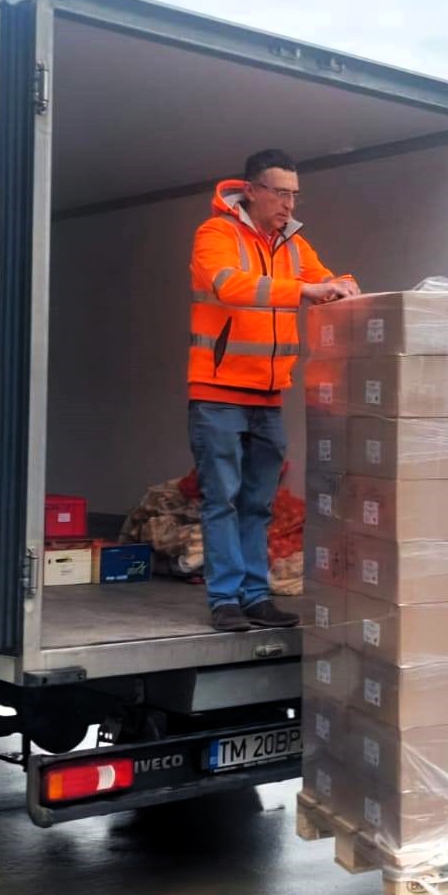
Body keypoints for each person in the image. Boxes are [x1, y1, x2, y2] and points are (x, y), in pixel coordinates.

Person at [188, 150, 359, 632]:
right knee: (222, 499)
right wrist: (302, 291)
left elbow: (326, 279)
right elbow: (229, 285)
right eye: (281, 193)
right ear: (251, 190)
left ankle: (255, 595)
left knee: (258, 503)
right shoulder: (216, 234)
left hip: (268, 397)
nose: (289, 204)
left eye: (295, 195)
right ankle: (225, 600)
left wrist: (344, 286)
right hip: (218, 393)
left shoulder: (292, 245)